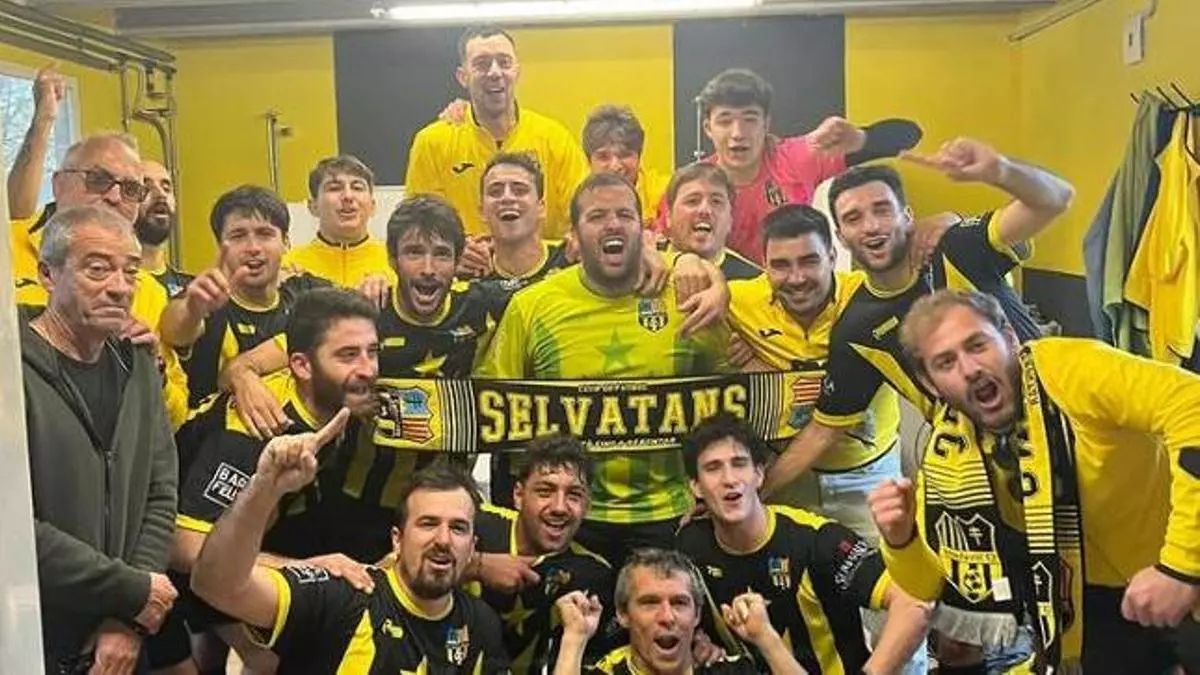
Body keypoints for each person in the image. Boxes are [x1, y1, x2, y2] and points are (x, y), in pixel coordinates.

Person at [869, 289, 1200, 674]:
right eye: (946, 362)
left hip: (1185, 552)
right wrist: (901, 539)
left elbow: (1192, 404)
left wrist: (1180, 567)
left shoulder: (1070, 368)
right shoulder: (950, 454)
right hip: (1086, 600)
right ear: (929, 383)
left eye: (977, 345)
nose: (970, 369)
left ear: (1010, 339)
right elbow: (929, 586)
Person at [762, 141, 1075, 498]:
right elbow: (823, 430)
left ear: (907, 216)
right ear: (841, 239)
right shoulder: (856, 330)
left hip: (1064, 426)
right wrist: (750, 494)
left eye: (882, 209)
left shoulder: (958, 247)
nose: (871, 226)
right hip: (986, 475)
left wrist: (999, 170)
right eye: (853, 218)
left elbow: (1056, 198)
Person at [477, 172, 731, 567]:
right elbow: (494, 412)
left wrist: (710, 489)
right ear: (574, 235)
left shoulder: (687, 296)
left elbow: (731, 398)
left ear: (644, 231)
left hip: (670, 514)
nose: (613, 224)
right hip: (568, 516)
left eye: (624, 215)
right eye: (597, 216)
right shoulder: (532, 307)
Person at [161, 288, 381, 673]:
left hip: (252, 535)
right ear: (302, 366)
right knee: (277, 660)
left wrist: (243, 369)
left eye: (372, 351)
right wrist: (304, 567)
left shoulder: (332, 394)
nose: (368, 369)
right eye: (348, 355)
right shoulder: (251, 431)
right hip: (172, 563)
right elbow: (184, 548)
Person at [22, 205, 179, 674]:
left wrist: (128, 619)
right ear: (47, 275)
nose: (119, 287)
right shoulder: (11, 371)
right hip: (30, 634)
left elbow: (160, 492)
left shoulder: (139, 364)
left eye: (130, 272)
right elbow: (11, 522)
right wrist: (129, 591)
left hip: (122, 637)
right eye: (97, 269)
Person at [191, 452, 510, 673]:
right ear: (397, 540)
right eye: (428, 524)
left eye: (458, 528)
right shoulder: (345, 596)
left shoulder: (480, 624)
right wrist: (263, 488)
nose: (443, 539)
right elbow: (216, 586)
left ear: (472, 548)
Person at [677, 413, 929, 674]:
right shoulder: (690, 545)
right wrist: (698, 642)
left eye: (739, 464)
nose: (729, 479)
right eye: (713, 468)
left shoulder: (818, 541)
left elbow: (914, 600)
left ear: (759, 474)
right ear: (695, 486)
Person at [726, 204, 900, 537]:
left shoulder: (873, 298)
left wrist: (949, 219)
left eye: (809, 261)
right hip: (788, 479)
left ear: (833, 257)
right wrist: (684, 260)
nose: (796, 278)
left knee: (883, 569)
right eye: (780, 265)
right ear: (763, 265)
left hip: (869, 478)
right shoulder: (739, 299)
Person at [9, 131, 191, 428]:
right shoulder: (5, 246)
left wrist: (153, 369)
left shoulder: (148, 291)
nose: (114, 197)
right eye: (98, 180)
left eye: (131, 189)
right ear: (58, 184)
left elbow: (174, 419)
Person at [655, 68, 922, 264]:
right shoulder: (691, 187)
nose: (738, 133)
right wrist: (681, 261)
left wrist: (860, 138)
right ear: (708, 128)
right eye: (725, 121)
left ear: (766, 124)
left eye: (750, 119)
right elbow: (656, 247)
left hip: (795, 288)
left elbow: (909, 134)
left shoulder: (796, 158)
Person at [405, 26, 589, 246]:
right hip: (462, 266)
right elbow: (418, 224)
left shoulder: (555, 138)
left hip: (544, 266)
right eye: (482, 64)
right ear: (463, 77)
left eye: (504, 62)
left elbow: (585, 212)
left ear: (517, 72)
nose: (494, 72)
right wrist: (460, 250)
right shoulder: (432, 143)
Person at [159, 186, 327, 406]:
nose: (253, 247)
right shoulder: (205, 298)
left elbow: (354, 322)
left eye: (265, 234)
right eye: (238, 236)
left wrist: (246, 365)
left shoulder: (307, 292)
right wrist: (193, 310)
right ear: (220, 245)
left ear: (286, 242)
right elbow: (173, 330)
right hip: (214, 426)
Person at [472, 435, 616, 672]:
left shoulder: (595, 574)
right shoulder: (474, 524)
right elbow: (403, 564)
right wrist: (475, 566)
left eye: (574, 495)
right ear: (518, 495)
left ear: (587, 506)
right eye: (545, 491)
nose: (559, 507)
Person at [553, 548, 804, 674]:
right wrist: (573, 640)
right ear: (623, 615)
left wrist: (767, 639)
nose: (667, 617)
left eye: (679, 603)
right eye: (650, 603)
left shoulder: (726, 671)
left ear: (697, 615)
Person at [283, 155, 392, 299]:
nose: (348, 196)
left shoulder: (396, 263)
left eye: (357, 188)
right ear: (313, 206)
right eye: (334, 188)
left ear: (372, 206)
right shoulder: (288, 266)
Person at [660, 162, 762, 281]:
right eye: (692, 201)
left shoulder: (756, 282)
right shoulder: (647, 267)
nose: (705, 210)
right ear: (668, 216)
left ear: (730, 220)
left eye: (716, 202)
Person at [582, 104, 669, 225]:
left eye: (624, 155)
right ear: (589, 161)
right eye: (603, 157)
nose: (615, 166)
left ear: (639, 157)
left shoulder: (665, 194)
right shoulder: (579, 202)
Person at [136, 160, 194, 298]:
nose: (161, 194)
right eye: (145, 188)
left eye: (166, 188)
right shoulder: (115, 286)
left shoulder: (192, 291)